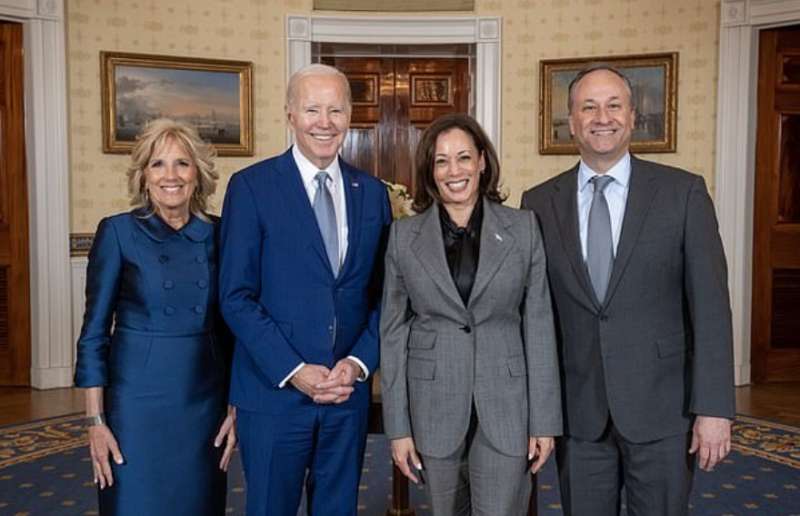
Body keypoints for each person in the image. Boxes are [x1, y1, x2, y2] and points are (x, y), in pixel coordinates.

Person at [521, 65, 735, 516]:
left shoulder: (683, 193)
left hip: (663, 411)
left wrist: (714, 409)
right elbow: (535, 317)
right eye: (589, 107)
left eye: (614, 105)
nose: (603, 117)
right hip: (579, 416)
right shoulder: (538, 203)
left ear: (633, 116)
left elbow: (712, 310)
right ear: (572, 120)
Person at [219, 63, 391, 516]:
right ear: (290, 115)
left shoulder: (372, 193)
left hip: (345, 394)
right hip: (273, 393)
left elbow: (386, 295)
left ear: (350, 117)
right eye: (312, 109)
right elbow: (235, 296)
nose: (325, 121)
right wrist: (294, 369)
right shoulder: (251, 187)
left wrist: (356, 365)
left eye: (336, 109)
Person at [380, 113, 562, 515]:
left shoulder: (523, 229)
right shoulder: (403, 237)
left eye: (463, 157)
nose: (454, 170)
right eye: (441, 160)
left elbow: (539, 324)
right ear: (430, 169)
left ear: (482, 161)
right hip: (434, 405)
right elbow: (392, 335)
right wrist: (398, 428)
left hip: (506, 405)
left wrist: (544, 421)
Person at [74, 118, 236, 516]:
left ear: (198, 173)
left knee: (198, 503)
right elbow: (94, 334)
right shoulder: (118, 232)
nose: (171, 176)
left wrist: (236, 408)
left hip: (203, 401)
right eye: (158, 164)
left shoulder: (220, 234)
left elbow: (233, 329)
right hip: (135, 404)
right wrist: (95, 420)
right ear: (143, 176)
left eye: (182, 163)